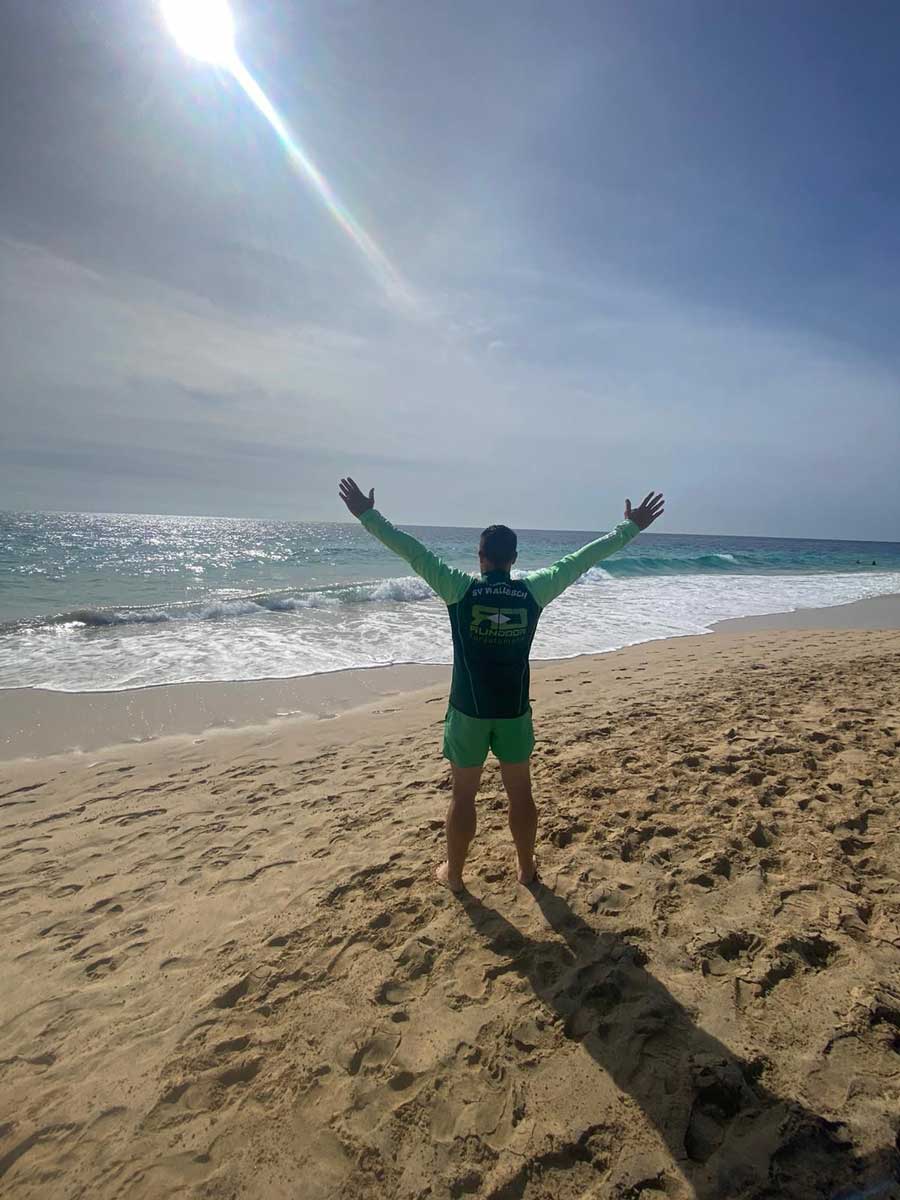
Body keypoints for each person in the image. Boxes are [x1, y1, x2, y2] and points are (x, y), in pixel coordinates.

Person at [339, 477, 665, 891]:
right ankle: (526, 870)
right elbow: (582, 559)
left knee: (463, 797)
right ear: (514, 558)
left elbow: (412, 551)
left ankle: (454, 875)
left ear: (480, 558)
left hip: (468, 712)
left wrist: (367, 515)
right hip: (513, 712)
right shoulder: (534, 591)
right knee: (520, 792)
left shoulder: (458, 588)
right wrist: (630, 528)